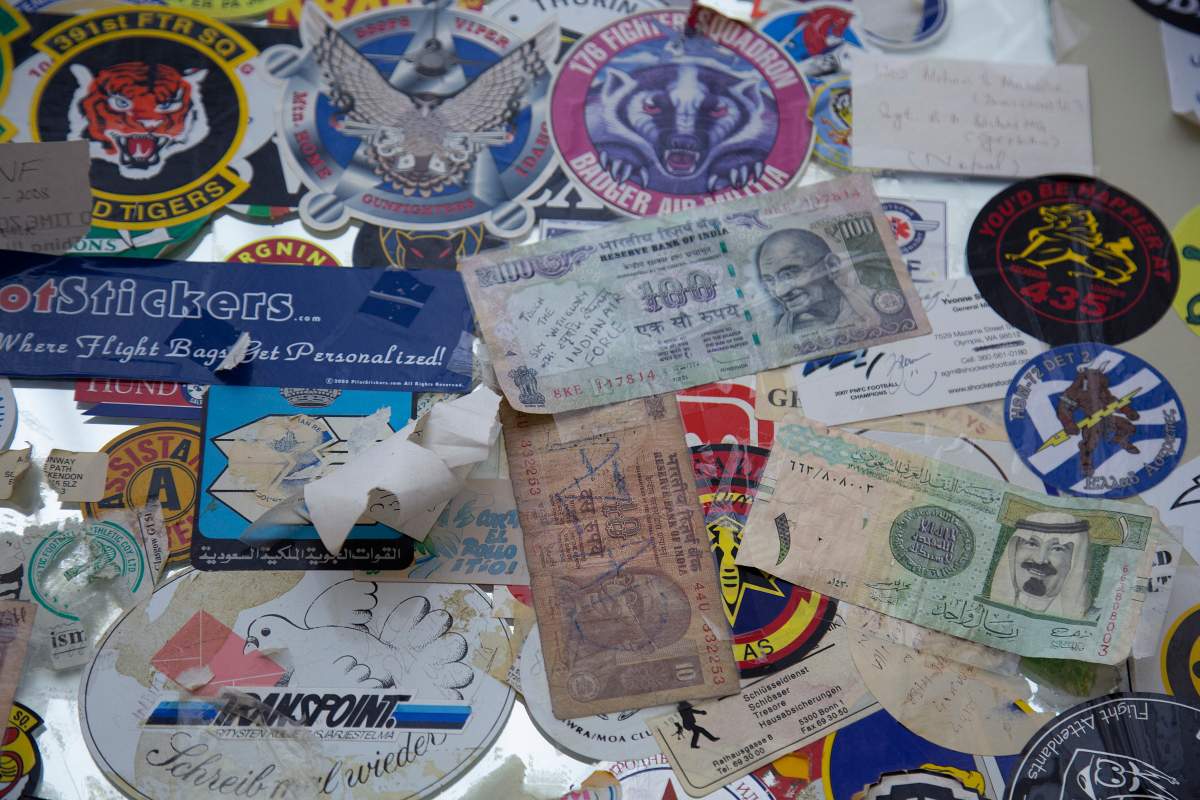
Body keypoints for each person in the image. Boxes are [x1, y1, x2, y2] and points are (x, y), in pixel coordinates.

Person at [753, 229, 881, 335]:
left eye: (789, 275)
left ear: (832, 266)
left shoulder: (878, 305)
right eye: (769, 281)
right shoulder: (777, 335)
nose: (780, 292)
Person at [986, 511, 1097, 619]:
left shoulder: (1092, 617)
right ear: (1015, 550)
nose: (1040, 560)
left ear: (1075, 560)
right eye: (1032, 544)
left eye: (1057, 549)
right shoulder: (987, 611)